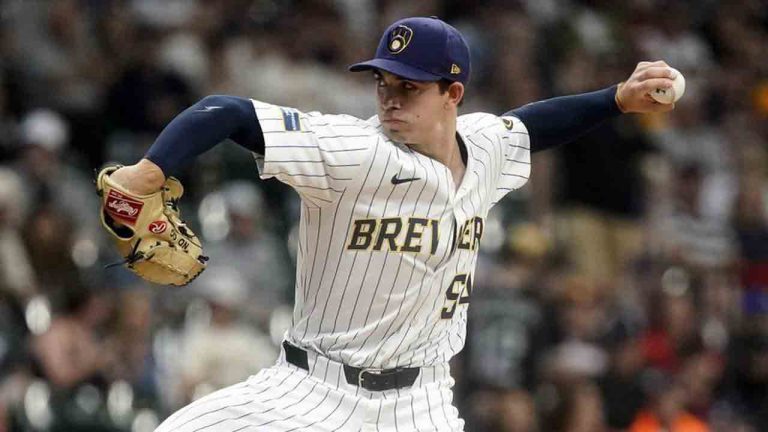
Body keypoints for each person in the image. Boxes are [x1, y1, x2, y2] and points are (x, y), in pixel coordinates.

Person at [105, 16, 678, 432]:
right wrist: (148, 173)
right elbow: (227, 111)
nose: (389, 99)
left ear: (453, 94)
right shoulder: (354, 151)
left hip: (421, 403)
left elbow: (532, 125)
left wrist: (616, 100)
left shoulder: (484, 146)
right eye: (383, 82)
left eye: (409, 87)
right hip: (309, 391)